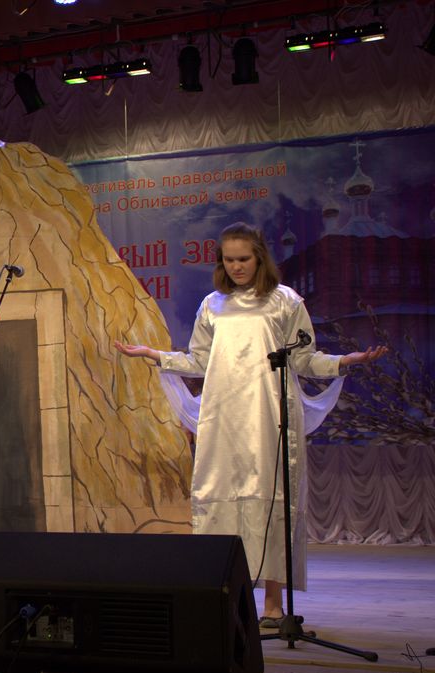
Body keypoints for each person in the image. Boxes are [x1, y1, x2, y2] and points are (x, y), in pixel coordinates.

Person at [114, 223, 387, 627]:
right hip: (223, 417)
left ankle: (273, 605)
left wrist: (345, 361)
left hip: (268, 415)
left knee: (271, 499)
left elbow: (303, 359)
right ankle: (222, 598)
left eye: (243, 258)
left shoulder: (285, 301)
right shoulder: (212, 305)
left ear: (259, 258)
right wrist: (154, 354)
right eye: (229, 259)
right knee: (219, 499)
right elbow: (199, 361)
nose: (237, 266)